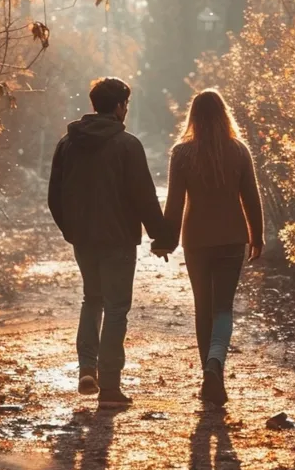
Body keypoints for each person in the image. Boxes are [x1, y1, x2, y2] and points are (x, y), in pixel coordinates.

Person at [48, 77, 169, 408]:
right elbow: (144, 196)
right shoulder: (127, 145)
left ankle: (87, 368)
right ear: (118, 106)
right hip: (118, 241)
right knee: (116, 308)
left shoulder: (67, 144)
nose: (126, 110)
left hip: (83, 240)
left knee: (92, 299)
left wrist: (71, 229)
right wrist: (161, 236)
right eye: (125, 104)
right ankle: (111, 388)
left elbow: (54, 195)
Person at [152, 89, 264, 407]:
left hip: (197, 240)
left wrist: (166, 241)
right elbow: (251, 198)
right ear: (224, 115)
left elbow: (174, 205)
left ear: (193, 118)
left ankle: (208, 374)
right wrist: (257, 237)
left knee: (204, 309)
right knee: (223, 308)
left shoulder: (182, 153)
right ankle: (215, 367)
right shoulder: (239, 150)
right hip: (232, 238)